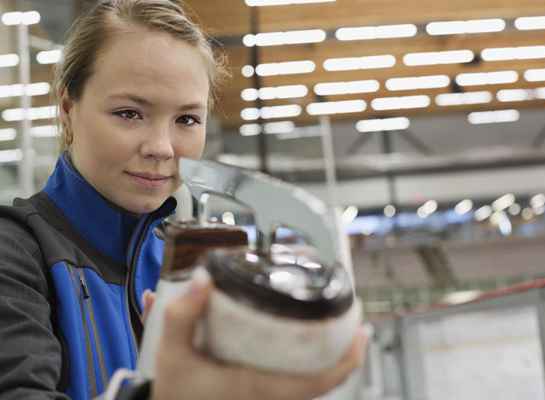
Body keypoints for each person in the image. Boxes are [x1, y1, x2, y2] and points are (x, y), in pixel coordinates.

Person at [0, 0, 367, 399]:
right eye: (129, 113)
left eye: (187, 120)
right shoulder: (15, 253)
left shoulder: (200, 270)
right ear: (68, 107)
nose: (161, 147)